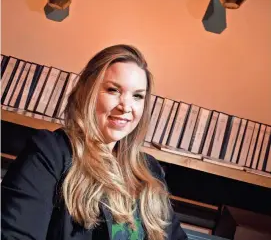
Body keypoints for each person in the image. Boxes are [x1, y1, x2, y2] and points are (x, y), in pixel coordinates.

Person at [2, 44, 188, 240]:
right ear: (87, 92)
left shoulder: (150, 170)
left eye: (137, 96)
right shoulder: (49, 153)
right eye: (113, 90)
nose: (126, 106)